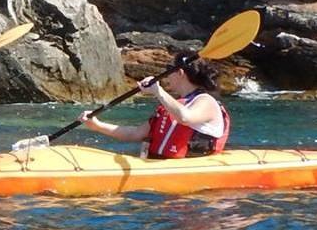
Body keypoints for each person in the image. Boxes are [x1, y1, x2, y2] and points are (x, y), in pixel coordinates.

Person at [77, 52, 230, 159]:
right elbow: (136, 133)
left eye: (169, 71)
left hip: (190, 168)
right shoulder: (173, 105)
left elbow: (185, 117)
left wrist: (157, 90)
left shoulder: (205, 101)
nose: (167, 76)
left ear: (180, 73)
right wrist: (97, 125)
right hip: (158, 163)